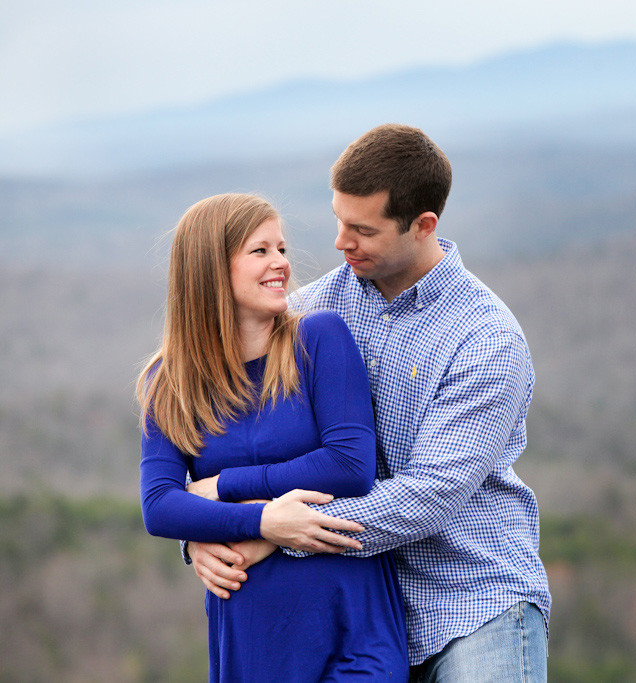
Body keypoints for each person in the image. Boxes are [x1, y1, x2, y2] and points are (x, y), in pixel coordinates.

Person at [188, 125, 551, 681]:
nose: (339, 241)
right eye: (338, 220)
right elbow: (230, 442)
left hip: (474, 601)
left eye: (362, 229)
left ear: (423, 225)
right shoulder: (307, 313)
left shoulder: (486, 339)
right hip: (352, 609)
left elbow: (428, 496)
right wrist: (203, 533)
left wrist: (266, 527)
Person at [137, 193, 409, 681]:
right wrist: (265, 521)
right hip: (253, 630)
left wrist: (225, 488)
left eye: (281, 249)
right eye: (260, 251)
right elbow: (159, 507)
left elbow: (349, 466)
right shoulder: (169, 380)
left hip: (352, 619)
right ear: (211, 269)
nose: (281, 263)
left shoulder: (319, 339)